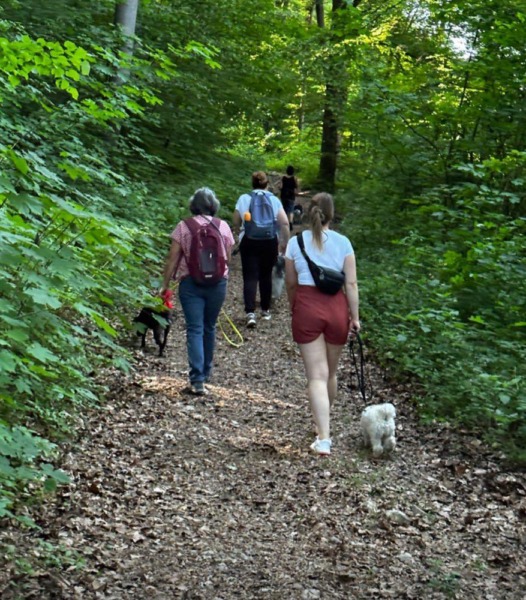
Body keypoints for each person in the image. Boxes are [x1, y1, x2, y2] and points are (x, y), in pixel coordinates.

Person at [284, 192, 360, 456]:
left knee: (316, 375)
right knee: (330, 373)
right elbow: (350, 284)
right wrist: (355, 317)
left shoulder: (295, 243)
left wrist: (294, 306)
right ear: (331, 213)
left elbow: (291, 283)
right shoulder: (344, 243)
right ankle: (324, 424)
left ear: (308, 212)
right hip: (337, 309)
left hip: (307, 306)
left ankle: (323, 437)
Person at [160, 187, 235, 395]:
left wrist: (165, 284)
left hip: (190, 283)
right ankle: (206, 372)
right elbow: (227, 257)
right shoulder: (223, 226)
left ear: (193, 205)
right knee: (209, 326)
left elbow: (173, 257)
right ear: (214, 205)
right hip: (218, 283)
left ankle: (197, 380)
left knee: (195, 328)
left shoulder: (183, 226)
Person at [233, 171, 289, 328]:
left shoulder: (244, 198)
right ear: (267, 184)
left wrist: (238, 232)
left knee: (250, 276)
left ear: (252, 183)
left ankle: (250, 313)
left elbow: (236, 220)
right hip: (269, 241)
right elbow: (284, 223)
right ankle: (265, 310)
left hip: (249, 241)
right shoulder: (274, 200)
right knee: (266, 275)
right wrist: (285, 241)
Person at [279, 165, 299, 231]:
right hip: (291, 195)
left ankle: (284, 223)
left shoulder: (283, 178)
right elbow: (296, 186)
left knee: (284, 209)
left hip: (283, 195)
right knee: (291, 210)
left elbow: (281, 187)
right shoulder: (294, 178)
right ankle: (290, 223)